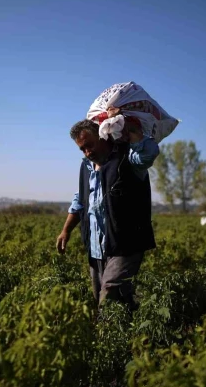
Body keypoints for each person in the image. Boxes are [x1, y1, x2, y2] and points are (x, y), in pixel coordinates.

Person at [56, 106, 159, 310]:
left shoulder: (127, 158)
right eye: (82, 149)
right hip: (97, 248)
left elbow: (148, 154)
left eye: (90, 145)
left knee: (109, 295)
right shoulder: (86, 167)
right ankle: (133, 332)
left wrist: (124, 123)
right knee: (107, 298)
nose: (87, 152)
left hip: (126, 244)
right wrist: (66, 230)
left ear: (102, 136)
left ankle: (109, 337)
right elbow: (80, 200)